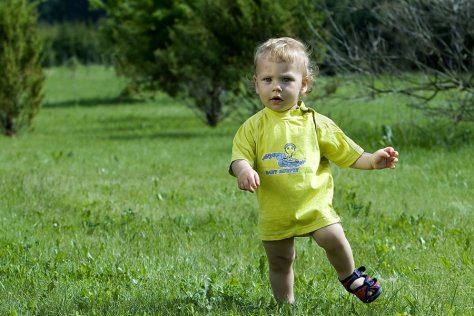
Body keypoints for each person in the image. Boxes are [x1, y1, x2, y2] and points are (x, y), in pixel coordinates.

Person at [229, 37, 398, 304]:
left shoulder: (317, 123)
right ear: (256, 83)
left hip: (314, 205)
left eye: (286, 80)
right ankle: (286, 304)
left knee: (333, 236)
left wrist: (372, 160)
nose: (276, 87)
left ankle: (350, 276)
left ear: (304, 84)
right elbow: (239, 157)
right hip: (276, 211)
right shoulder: (253, 126)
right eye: (267, 80)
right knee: (280, 260)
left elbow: (349, 154)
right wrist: (243, 171)